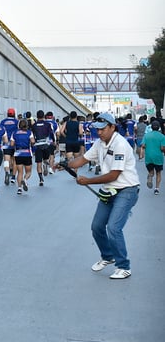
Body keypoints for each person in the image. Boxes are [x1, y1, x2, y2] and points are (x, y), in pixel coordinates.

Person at [56, 112, 139, 280]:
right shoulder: (99, 144)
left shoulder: (120, 145)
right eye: (97, 129)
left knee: (114, 228)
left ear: (112, 127)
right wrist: (65, 164)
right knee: (97, 227)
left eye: (102, 129)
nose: (99, 132)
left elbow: (114, 175)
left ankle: (124, 266)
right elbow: (83, 159)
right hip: (109, 191)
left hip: (127, 190)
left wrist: (88, 181)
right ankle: (108, 256)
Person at [31, 110, 55, 186]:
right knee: (46, 159)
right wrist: (54, 141)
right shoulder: (47, 124)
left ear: (37, 116)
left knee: (38, 163)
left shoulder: (34, 125)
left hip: (38, 145)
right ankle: (45, 165)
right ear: (44, 116)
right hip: (46, 144)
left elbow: (32, 136)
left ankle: (41, 179)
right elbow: (52, 133)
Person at [11, 118, 35, 195]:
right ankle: (25, 179)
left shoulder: (14, 133)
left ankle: (19, 188)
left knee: (20, 172)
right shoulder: (29, 132)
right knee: (28, 172)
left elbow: (11, 144)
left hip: (18, 153)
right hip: (27, 153)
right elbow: (33, 142)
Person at [140, 120, 165, 195]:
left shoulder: (146, 135)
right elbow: (162, 148)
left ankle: (150, 176)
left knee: (151, 171)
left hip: (149, 157)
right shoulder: (162, 136)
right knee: (158, 173)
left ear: (151, 127)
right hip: (158, 157)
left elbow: (143, 146)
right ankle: (157, 189)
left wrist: (142, 153)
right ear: (159, 128)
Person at [0, 108, 19, 186]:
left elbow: (1, 131)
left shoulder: (3, 122)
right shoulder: (17, 122)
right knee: (14, 160)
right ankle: (13, 176)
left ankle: (7, 172)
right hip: (14, 143)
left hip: (6, 143)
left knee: (6, 160)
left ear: (7, 114)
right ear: (14, 114)